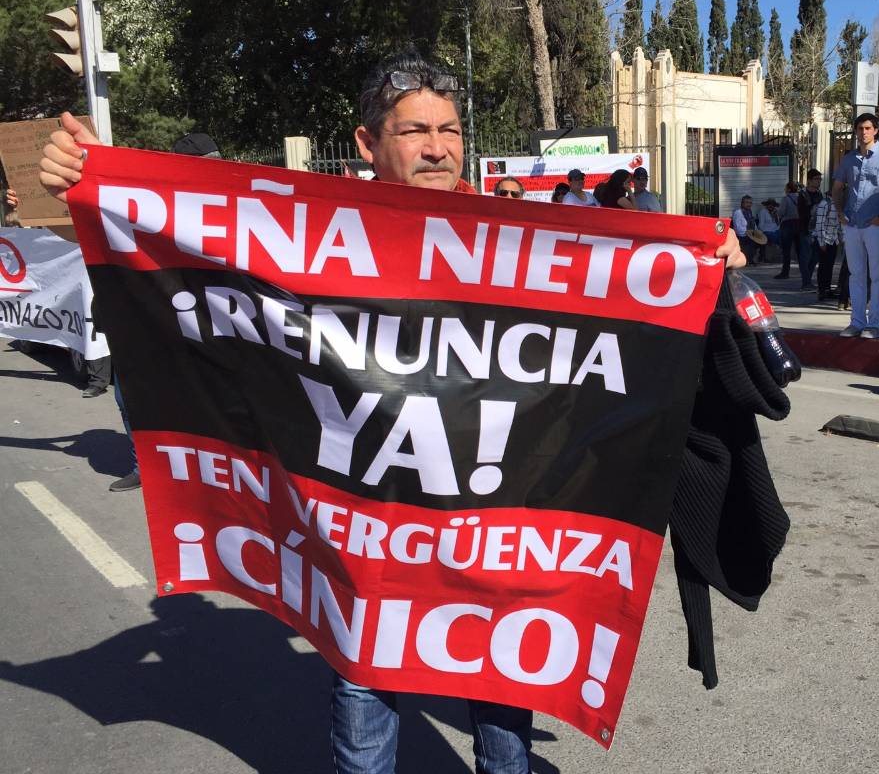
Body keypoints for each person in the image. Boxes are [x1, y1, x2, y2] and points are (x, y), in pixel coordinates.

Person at [40, 47, 745, 773]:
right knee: (365, 706)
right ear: (367, 144)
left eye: (450, 129)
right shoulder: (308, 230)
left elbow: (623, 292)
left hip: (493, 530)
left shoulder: (518, 235)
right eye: (414, 131)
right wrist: (94, 186)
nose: (438, 147)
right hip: (370, 535)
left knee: (504, 708)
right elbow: (188, 243)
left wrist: (704, 259)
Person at [832, 112, 879, 339]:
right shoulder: (849, 159)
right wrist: (839, 212)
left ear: (875, 130)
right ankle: (856, 321)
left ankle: (874, 323)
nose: (863, 132)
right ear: (855, 131)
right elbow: (836, 187)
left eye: (867, 128)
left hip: (875, 226)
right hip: (852, 225)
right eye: (859, 128)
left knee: (878, 275)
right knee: (855, 275)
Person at [811, 182, 843, 299]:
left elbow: (839, 223)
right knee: (823, 266)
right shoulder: (824, 204)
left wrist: (840, 238)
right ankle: (821, 290)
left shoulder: (837, 205)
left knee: (830, 266)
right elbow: (819, 224)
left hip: (833, 240)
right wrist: (822, 242)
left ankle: (827, 288)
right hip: (824, 239)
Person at [774, 181, 802, 281]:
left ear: (789, 189)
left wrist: (777, 212)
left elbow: (781, 213)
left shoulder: (786, 199)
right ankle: (804, 272)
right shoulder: (800, 198)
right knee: (800, 250)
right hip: (799, 225)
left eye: (786, 188)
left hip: (788, 225)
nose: (785, 190)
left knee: (786, 250)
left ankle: (785, 272)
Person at [731, 194, 759, 262]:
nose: (749, 204)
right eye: (747, 202)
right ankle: (748, 260)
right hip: (742, 235)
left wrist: (757, 232)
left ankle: (754, 258)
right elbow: (737, 227)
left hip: (750, 234)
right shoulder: (738, 212)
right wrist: (748, 233)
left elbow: (753, 224)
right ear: (742, 203)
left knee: (761, 240)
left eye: (750, 203)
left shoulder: (749, 212)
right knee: (751, 241)